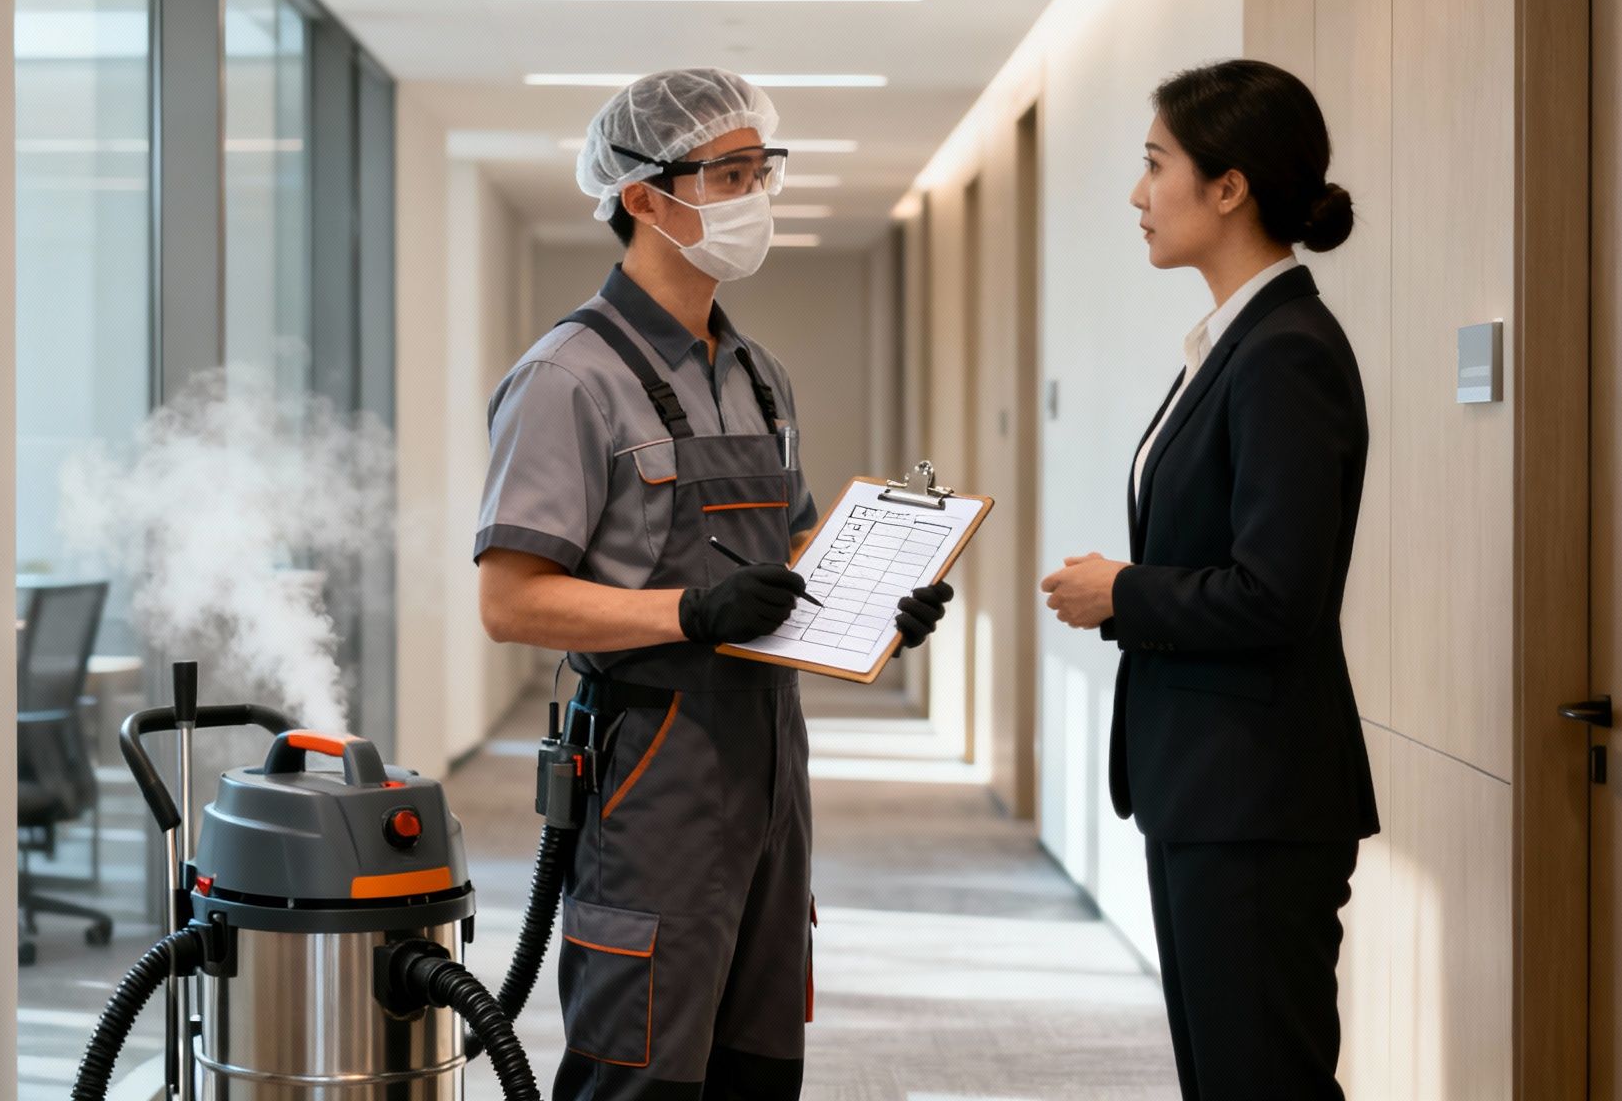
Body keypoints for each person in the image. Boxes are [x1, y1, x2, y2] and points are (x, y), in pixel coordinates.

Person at [473, 68, 954, 1101]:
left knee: (757, 1064)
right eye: (727, 173)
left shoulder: (755, 373)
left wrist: (883, 599)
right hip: (654, 770)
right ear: (642, 197)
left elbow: (795, 546)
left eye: (760, 170)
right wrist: (686, 612)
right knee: (641, 1068)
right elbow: (509, 600)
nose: (755, 196)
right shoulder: (566, 380)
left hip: (772, 761)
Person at [1037, 58, 1380, 1101]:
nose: (1138, 196)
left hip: (1257, 798)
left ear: (1227, 186)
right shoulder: (1230, 343)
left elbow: (1278, 592)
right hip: (1209, 788)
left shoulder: (1283, 352)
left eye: (1154, 166)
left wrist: (1122, 592)